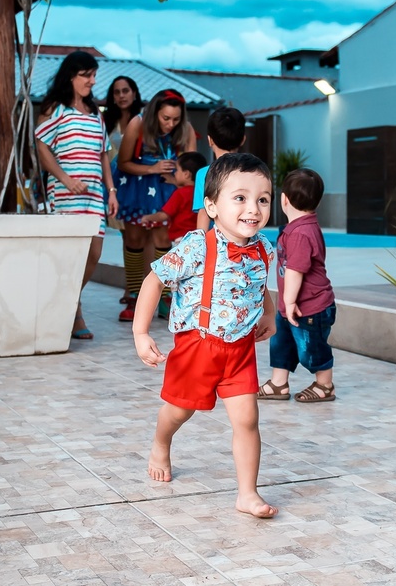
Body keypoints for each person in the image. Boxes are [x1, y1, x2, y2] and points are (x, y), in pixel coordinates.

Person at [132, 153, 278, 518]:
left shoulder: (264, 248)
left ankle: (247, 493)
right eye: (240, 198)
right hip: (199, 346)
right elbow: (154, 279)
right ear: (211, 206)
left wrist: (270, 314)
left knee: (247, 419)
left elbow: (258, 286)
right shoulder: (197, 246)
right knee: (180, 410)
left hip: (241, 350)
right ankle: (160, 443)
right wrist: (140, 332)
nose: (253, 209)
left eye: (262, 199)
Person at [35, 50, 118, 340]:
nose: (92, 81)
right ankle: (74, 310)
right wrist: (65, 178)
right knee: (68, 256)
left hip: (95, 194)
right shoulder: (55, 109)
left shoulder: (96, 113)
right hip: (65, 193)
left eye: (94, 75)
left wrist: (111, 191)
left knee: (93, 252)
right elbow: (42, 147)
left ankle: (68, 301)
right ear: (71, 76)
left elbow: (103, 155)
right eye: (87, 75)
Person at [257, 168, 337, 403]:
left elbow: (295, 270)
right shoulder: (298, 228)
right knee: (281, 344)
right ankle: (278, 383)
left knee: (311, 349)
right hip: (290, 306)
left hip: (309, 308)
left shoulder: (302, 233)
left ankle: (325, 385)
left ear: (284, 199)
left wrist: (290, 301)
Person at [115, 89, 196, 321]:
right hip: (137, 186)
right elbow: (123, 163)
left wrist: (174, 179)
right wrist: (152, 168)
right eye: (166, 118)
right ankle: (133, 295)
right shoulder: (137, 124)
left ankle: (164, 297)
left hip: (167, 188)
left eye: (176, 119)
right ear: (154, 113)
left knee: (163, 240)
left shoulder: (186, 129)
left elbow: (191, 165)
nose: (171, 124)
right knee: (134, 240)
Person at [103, 75, 146, 303]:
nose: (121, 95)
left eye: (125, 90)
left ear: (134, 93)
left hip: (138, 185)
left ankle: (137, 291)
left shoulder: (143, 121)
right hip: (114, 186)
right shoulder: (105, 122)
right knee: (124, 236)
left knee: (136, 237)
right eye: (117, 92)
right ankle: (132, 288)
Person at [194, 107, 247, 231]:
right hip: (245, 238)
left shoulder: (204, 174)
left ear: (210, 140)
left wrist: (198, 246)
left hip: (216, 243)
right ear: (243, 139)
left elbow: (204, 213)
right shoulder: (252, 172)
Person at [138, 151, 207, 244]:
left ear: (186, 174)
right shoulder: (203, 192)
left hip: (181, 238)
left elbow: (164, 215)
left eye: (177, 170)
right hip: (199, 236)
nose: (175, 174)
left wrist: (148, 217)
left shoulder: (180, 193)